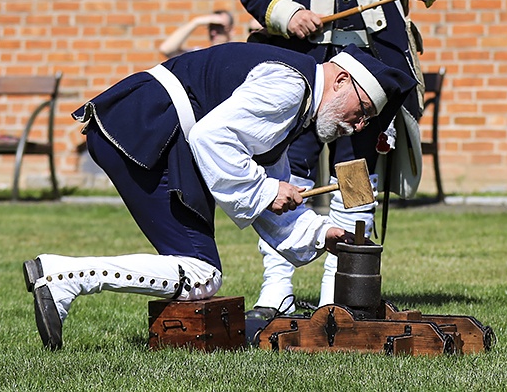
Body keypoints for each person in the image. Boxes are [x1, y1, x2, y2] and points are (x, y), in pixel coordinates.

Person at [22, 42, 416, 350]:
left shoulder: (298, 101)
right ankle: (62, 276)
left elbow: (267, 199)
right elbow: (212, 139)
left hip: (152, 127)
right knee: (200, 273)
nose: (359, 123)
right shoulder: (290, 87)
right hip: (148, 127)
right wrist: (265, 190)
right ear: (343, 79)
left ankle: (61, 278)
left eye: (367, 119)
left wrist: (321, 234)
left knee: (200, 272)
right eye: (362, 109)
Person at [237, 0, 465, 318]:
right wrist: (287, 14)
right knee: (285, 175)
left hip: (371, 65)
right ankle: (277, 287)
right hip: (300, 62)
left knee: (355, 172)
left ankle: (341, 290)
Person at [158, 10, 234, 58]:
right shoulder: (200, 55)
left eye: (219, 27)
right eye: (211, 27)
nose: (213, 32)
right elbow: (166, 49)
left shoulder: (238, 55)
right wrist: (196, 22)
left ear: (231, 31)